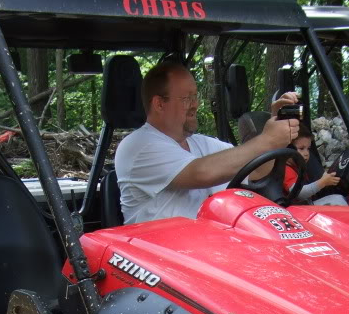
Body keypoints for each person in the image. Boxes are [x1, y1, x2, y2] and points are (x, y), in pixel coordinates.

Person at [116, 60, 299, 224]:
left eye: (195, 97)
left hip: (209, 248)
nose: (195, 105)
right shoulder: (138, 145)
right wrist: (266, 140)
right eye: (187, 98)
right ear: (159, 104)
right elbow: (201, 173)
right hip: (158, 253)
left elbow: (257, 171)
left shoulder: (201, 144)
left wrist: (276, 133)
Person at [284, 127, 341, 202]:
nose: (307, 153)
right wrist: (322, 182)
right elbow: (298, 193)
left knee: (339, 199)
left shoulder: (297, 167)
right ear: (287, 149)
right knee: (338, 200)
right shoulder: (285, 170)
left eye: (308, 149)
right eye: (301, 148)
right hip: (294, 210)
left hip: (305, 205)